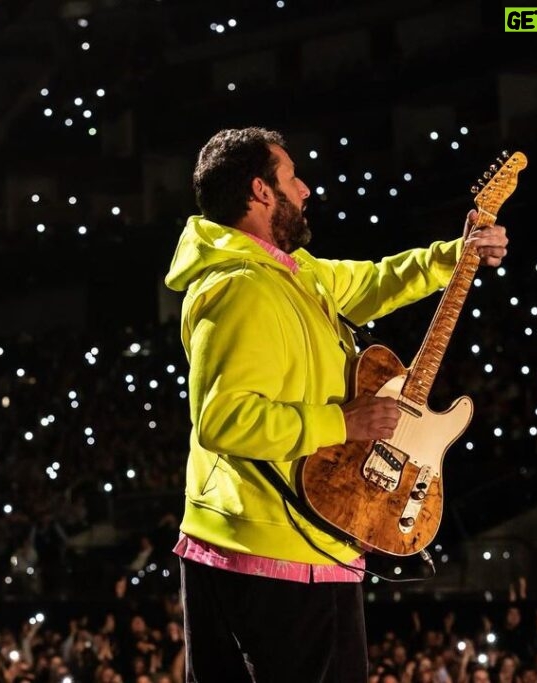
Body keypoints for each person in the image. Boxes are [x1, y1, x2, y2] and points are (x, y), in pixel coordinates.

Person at [163, 127, 510, 682]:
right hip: (277, 556)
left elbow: (374, 281)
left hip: (283, 546)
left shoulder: (292, 276)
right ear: (260, 191)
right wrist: (342, 422)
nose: (305, 190)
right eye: (291, 177)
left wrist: (457, 256)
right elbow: (223, 420)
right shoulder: (240, 289)